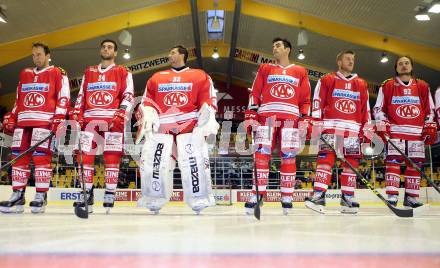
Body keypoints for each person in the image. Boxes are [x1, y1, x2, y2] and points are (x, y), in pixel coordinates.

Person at [135, 45, 219, 215]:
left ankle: (199, 199)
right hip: (162, 128)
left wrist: (207, 117)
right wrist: (148, 115)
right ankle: (153, 199)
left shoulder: (199, 75)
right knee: (155, 163)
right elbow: (147, 101)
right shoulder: (157, 77)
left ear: (182, 54)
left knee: (194, 163)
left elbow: (209, 100)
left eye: (172, 52)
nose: (169, 54)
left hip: (189, 127)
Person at [243, 37, 311, 215]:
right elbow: (255, 92)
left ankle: (287, 196)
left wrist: (305, 117)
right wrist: (251, 114)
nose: (274, 48)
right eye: (273, 45)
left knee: (289, 156)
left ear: (288, 49)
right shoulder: (265, 68)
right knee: (261, 155)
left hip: (291, 118)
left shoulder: (300, 71)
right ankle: (257, 194)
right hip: (266, 117)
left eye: (278, 45)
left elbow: (305, 98)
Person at [0, 42, 70, 213]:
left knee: (41, 159)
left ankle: (41, 196)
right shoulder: (25, 74)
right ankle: (18, 195)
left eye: (39, 54)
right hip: (22, 123)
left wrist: (59, 117)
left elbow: (64, 97)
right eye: (33, 55)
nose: (36, 58)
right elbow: (18, 100)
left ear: (48, 55)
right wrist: (12, 115)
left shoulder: (57, 73)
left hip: (44, 122)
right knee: (18, 158)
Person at [70, 39, 134, 213]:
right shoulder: (89, 71)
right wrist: (77, 112)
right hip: (89, 120)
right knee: (84, 156)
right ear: (100, 50)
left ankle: (110, 192)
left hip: (112, 120)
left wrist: (122, 112)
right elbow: (82, 95)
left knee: (112, 157)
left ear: (115, 53)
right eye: (104, 47)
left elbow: (128, 95)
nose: (106, 49)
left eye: (110, 47)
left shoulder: (123, 71)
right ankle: (87, 193)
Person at [304, 50, 370, 214]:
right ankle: (319, 195)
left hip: (353, 130)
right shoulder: (327, 79)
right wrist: (316, 122)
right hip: (331, 128)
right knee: (325, 161)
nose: (350, 61)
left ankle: (347, 198)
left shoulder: (361, 83)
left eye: (353, 59)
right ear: (339, 62)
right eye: (347, 58)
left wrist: (367, 128)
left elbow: (365, 108)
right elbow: (318, 100)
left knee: (351, 165)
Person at [373, 56, 436, 208]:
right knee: (393, 163)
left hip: (417, 134)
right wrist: (382, 124)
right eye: (400, 64)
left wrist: (429, 124)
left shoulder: (422, 86)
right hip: (395, 132)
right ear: (396, 68)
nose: (403, 66)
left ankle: (411, 198)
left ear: (411, 66)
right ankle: (392, 196)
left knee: (414, 166)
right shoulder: (387, 85)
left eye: (406, 63)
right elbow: (378, 109)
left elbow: (430, 110)